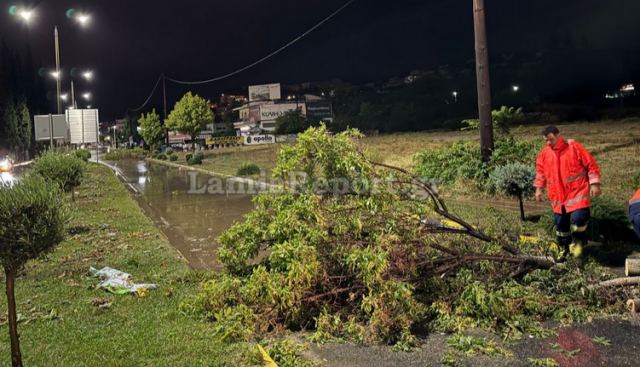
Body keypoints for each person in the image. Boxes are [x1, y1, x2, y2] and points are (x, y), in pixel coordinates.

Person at [534, 126, 601, 259]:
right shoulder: (544, 154)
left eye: (551, 139)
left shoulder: (574, 147)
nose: (548, 143)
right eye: (546, 140)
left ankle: (579, 242)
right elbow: (540, 173)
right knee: (561, 228)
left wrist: (595, 184)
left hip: (577, 194)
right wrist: (539, 189)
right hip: (558, 199)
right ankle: (564, 250)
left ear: (559, 135)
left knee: (578, 219)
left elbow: (591, 165)